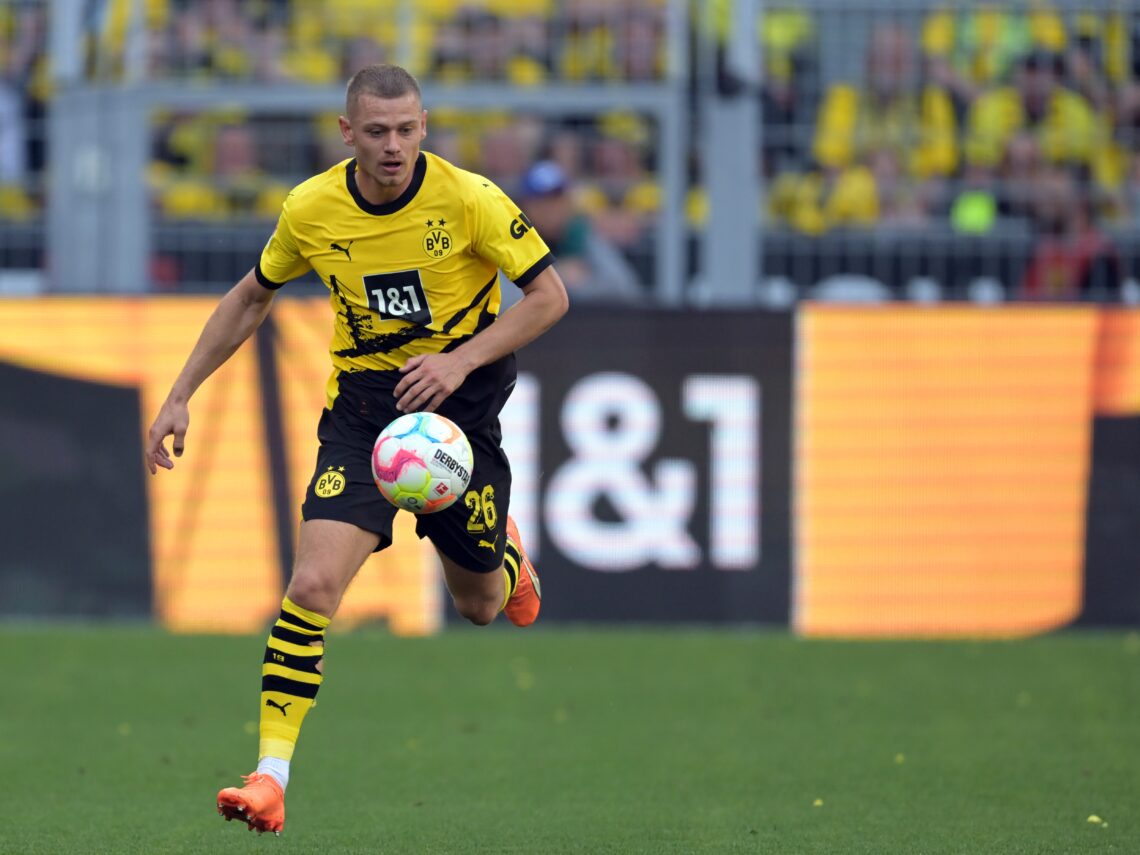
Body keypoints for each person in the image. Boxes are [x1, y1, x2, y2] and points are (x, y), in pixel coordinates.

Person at [144, 63, 568, 835]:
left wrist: (459, 360)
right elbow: (250, 297)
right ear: (348, 134)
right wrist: (180, 392)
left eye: (407, 130)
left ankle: (504, 558)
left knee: (478, 606)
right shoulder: (311, 209)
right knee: (310, 583)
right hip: (366, 411)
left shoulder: (470, 199)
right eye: (376, 132)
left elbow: (550, 297)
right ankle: (270, 776)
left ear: (424, 126)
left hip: (459, 407)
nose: (394, 146)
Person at [515, 159, 642, 303]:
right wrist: (556, 276)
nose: (550, 209)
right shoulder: (515, 240)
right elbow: (503, 300)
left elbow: (625, 288)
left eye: (556, 200)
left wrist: (585, 283)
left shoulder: (582, 235)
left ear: (569, 202)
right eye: (540, 202)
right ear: (524, 206)